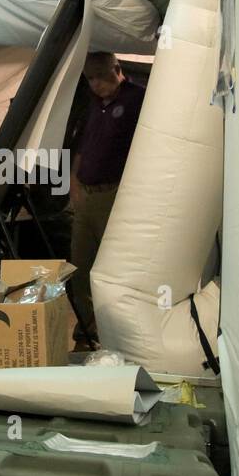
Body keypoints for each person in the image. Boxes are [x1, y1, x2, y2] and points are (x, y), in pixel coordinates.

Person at [68, 51, 146, 347]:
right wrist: (74, 186)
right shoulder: (93, 105)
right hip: (86, 194)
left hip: (116, 194)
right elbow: (82, 149)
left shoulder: (137, 99)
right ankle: (87, 333)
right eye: (90, 78)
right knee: (80, 267)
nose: (96, 83)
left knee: (115, 268)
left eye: (102, 76)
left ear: (117, 69)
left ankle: (120, 334)